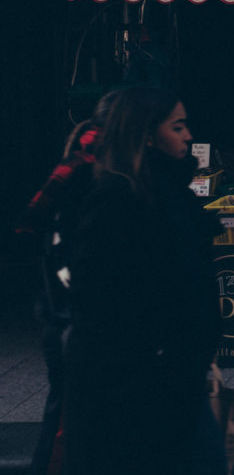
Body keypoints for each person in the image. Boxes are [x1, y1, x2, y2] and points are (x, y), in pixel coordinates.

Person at [63, 87, 224, 475]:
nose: (188, 136)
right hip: (145, 387)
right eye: (178, 126)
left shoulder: (162, 193)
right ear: (146, 134)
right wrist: (167, 355)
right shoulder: (120, 201)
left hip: (171, 377)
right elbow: (104, 300)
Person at [21, 92, 119, 475]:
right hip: (78, 321)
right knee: (68, 426)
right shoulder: (94, 181)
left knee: (64, 419)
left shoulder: (78, 173)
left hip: (66, 318)